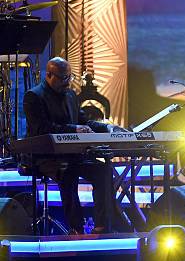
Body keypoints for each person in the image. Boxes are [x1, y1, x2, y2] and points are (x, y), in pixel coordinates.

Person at [22, 57, 124, 233]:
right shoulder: (34, 96)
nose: (67, 82)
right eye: (63, 78)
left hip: (73, 154)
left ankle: (102, 226)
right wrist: (74, 129)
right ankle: (75, 229)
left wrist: (109, 127)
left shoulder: (70, 95)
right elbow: (42, 129)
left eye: (70, 77)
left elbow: (85, 122)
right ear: (49, 75)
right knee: (67, 172)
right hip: (46, 157)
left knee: (103, 170)